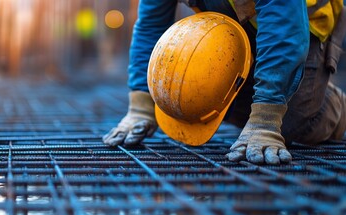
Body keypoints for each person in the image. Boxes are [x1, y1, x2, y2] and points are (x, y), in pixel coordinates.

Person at [103, 0, 346, 165]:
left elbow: (284, 30)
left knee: (288, 124)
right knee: (209, 95)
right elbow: (150, 25)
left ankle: (333, 105)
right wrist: (141, 106)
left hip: (302, 26)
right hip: (239, 26)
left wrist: (265, 119)